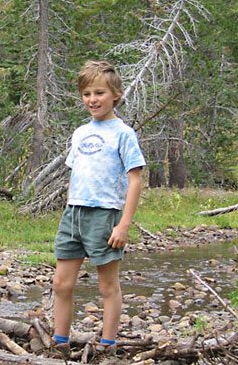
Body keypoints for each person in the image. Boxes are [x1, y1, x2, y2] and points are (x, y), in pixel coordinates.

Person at [52, 61, 145, 356]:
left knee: (107, 286)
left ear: (115, 94)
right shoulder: (80, 133)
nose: (93, 99)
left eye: (100, 93)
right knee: (61, 283)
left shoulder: (123, 133)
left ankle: (108, 347)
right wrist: (69, 206)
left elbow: (135, 180)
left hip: (105, 215)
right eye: (87, 93)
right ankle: (60, 343)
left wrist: (123, 225)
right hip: (74, 214)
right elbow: (74, 172)